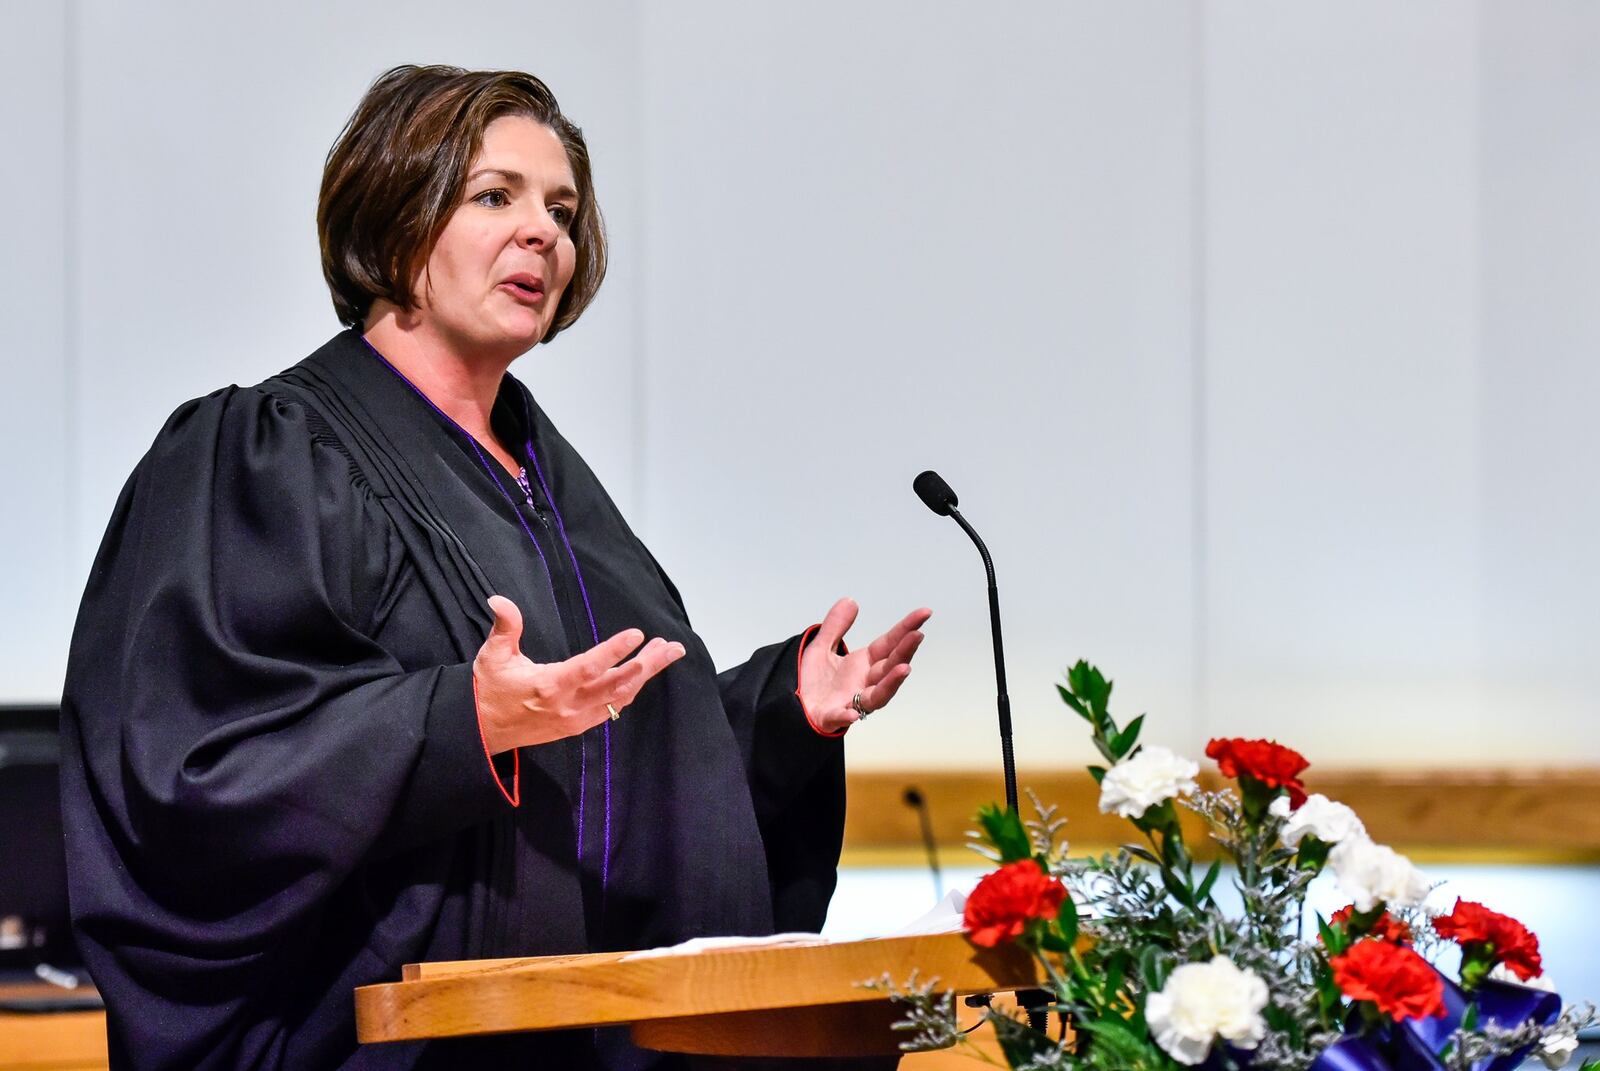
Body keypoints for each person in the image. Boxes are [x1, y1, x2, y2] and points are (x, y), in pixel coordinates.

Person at [60, 64, 929, 1070]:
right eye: (494, 196)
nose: (545, 234)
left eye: (562, 210)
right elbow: (191, 768)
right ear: (395, 215)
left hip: (585, 1029)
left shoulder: (557, 488)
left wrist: (783, 714)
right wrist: (455, 725)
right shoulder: (267, 453)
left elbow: (613, 776)